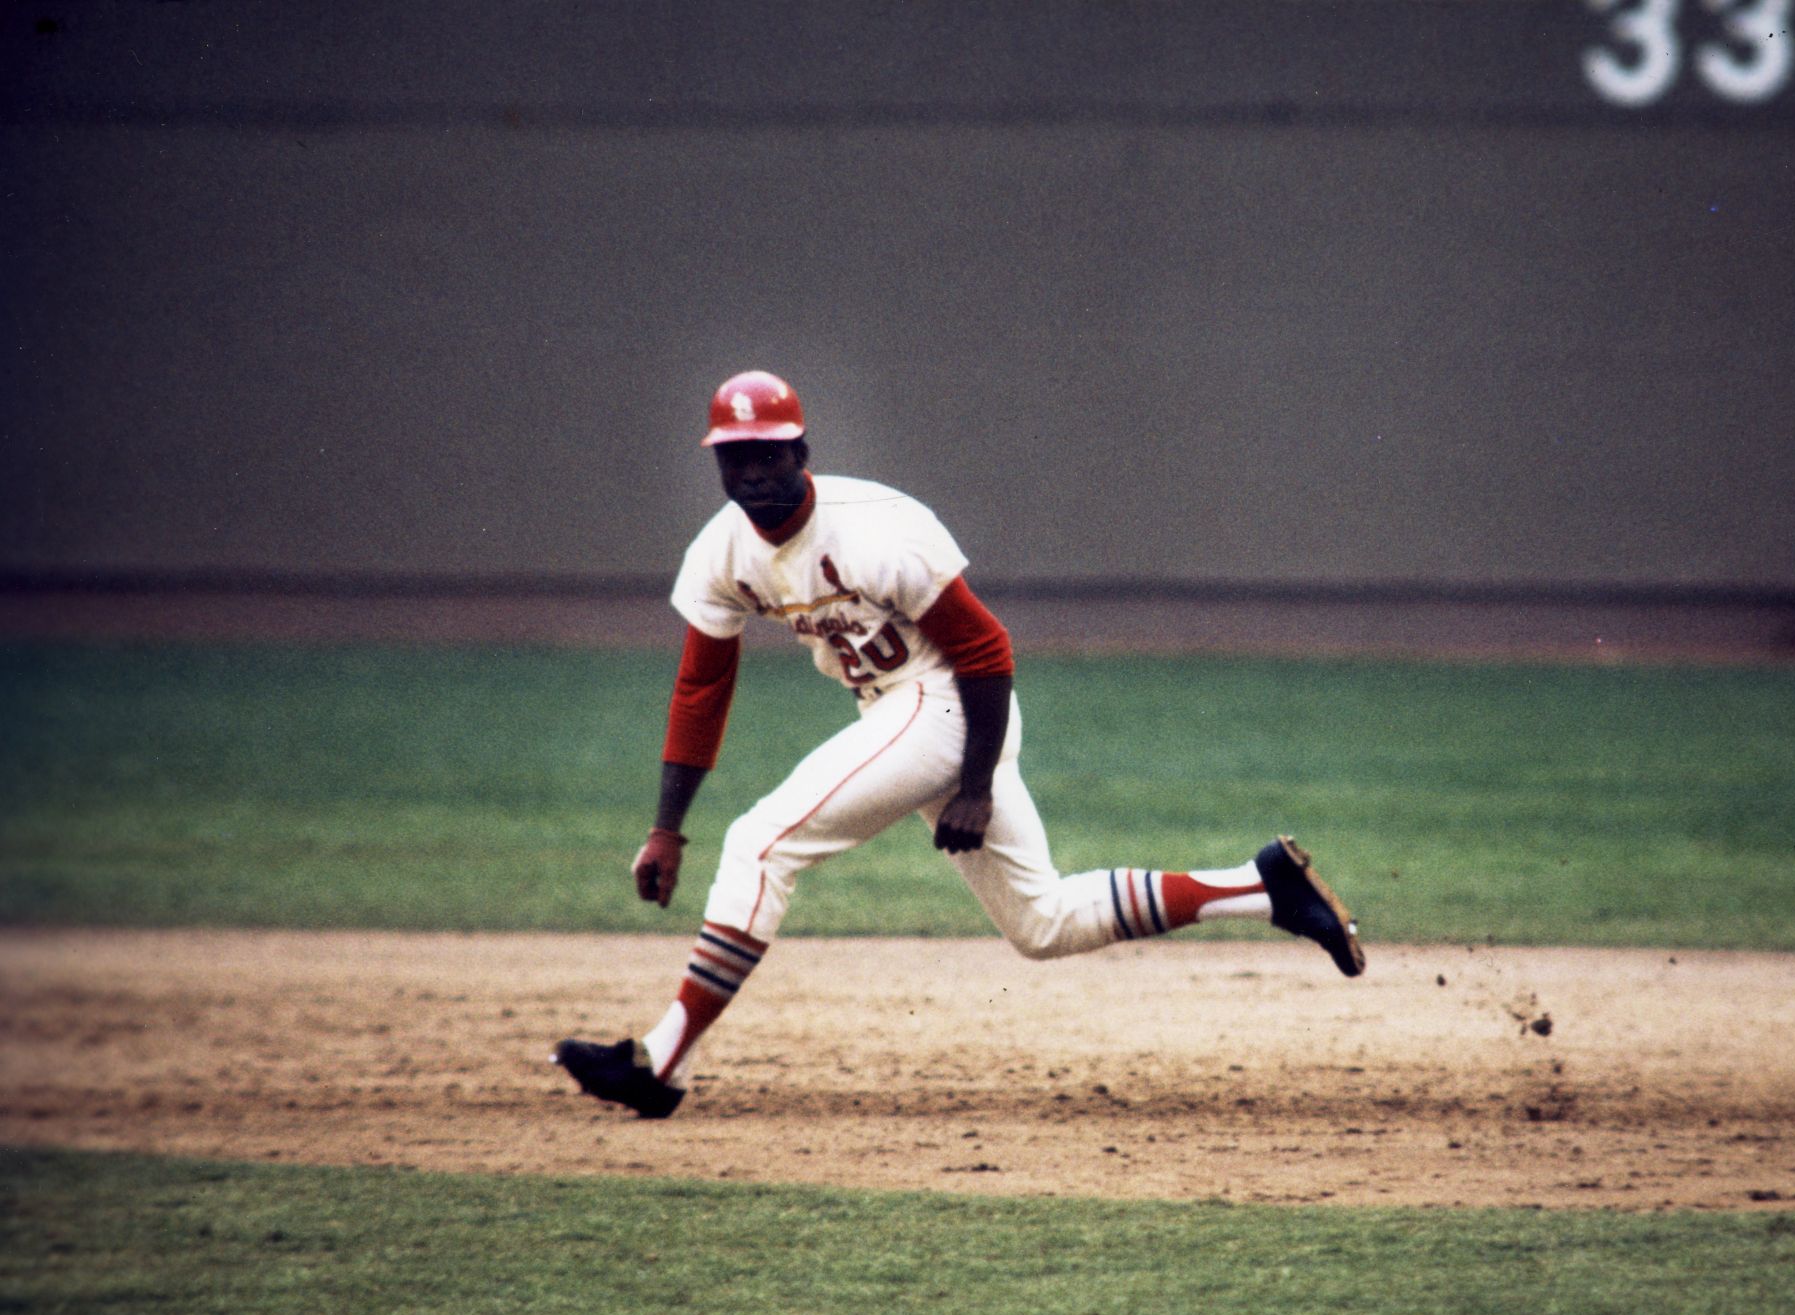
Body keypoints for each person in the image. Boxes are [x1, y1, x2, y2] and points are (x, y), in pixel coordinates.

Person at [553, 370, 1364, 1119]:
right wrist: (665, 827)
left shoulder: (877, 528)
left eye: (768, 453)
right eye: (735, 459)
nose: (753, 473)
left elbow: (986, 651)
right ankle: (1266, 888)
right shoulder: (721, 551)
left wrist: (973, 785)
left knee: (759, 844)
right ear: (718, 467)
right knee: (1041, 923)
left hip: (950, 707)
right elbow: (701, 688)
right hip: (897, 713)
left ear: (801, 451)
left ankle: (660, 1063)